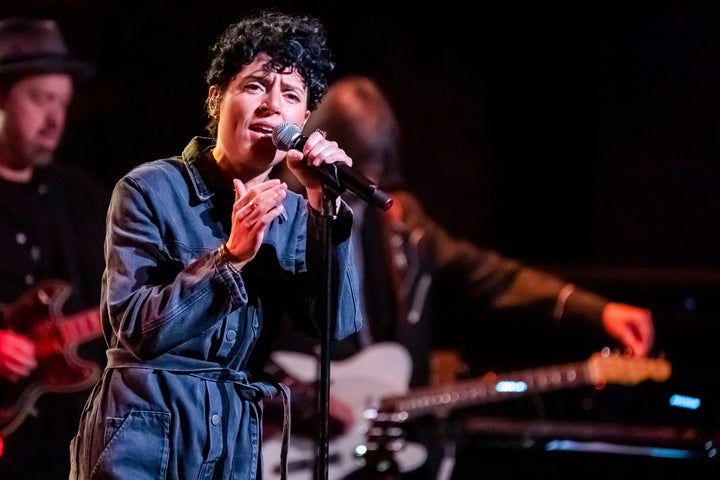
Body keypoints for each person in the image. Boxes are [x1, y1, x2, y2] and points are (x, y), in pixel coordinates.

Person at [265, 74, 656, 480]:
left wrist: (598, 311)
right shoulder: (282, 214)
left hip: (388, 445)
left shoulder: (403, 226)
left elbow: (489, 276)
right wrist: (301, 396)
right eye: (361, 160)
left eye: (374, 162)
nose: (366, 174)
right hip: (301, 441)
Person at [69, 10, 363, 480]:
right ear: (215, 99)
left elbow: (335, 325)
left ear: (303, 120)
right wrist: (230, 257)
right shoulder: (150, 190)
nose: (272, 105)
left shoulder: (295, 212)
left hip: (230, 440)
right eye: (254, 86)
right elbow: (132, 330)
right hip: (145, 433)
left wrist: (319, 203)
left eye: (290, 95)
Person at [0, 17, 109, 480]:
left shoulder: (81, 199)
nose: (54, 120)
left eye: (62, 103)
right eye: (41, 99)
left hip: (63, 445)